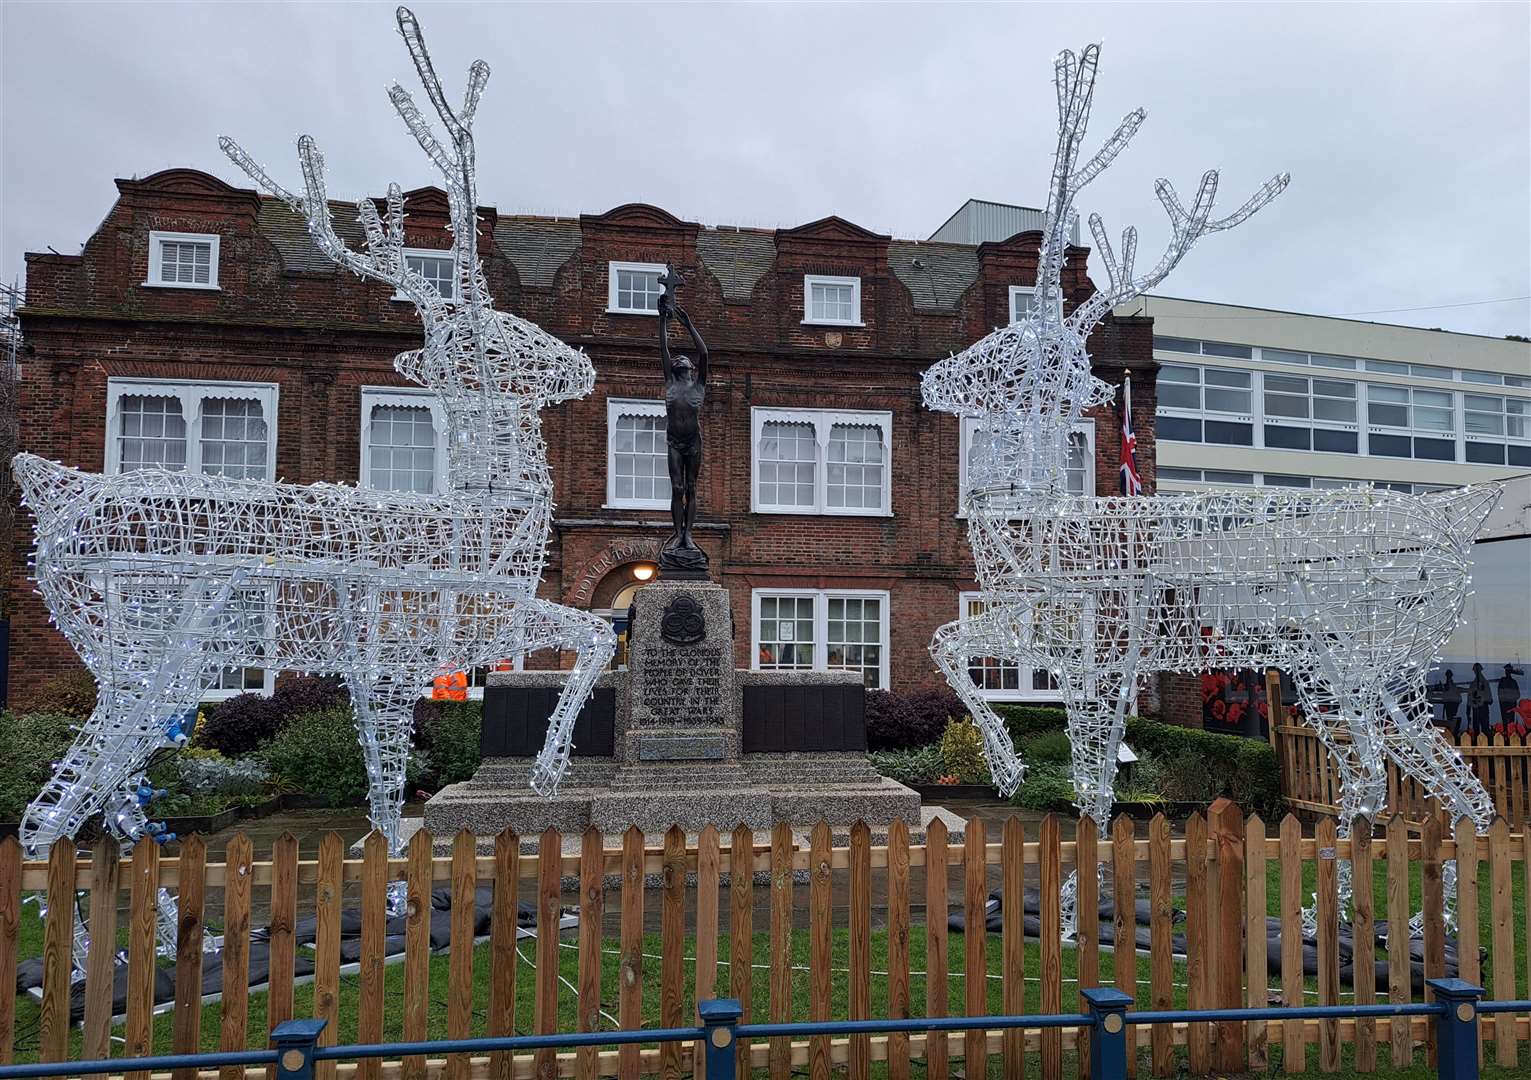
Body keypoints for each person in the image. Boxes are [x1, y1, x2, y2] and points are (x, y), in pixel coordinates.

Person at [656, 264, 708, 568]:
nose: (680, 361)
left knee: (692, 488)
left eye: (683, 361)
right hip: (674, 441)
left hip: (693, 441)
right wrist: (663, 320)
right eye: (677, 361)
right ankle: (678, 535)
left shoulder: (698, 384)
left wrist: (688, 325)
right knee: (677, 487)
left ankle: (689, 535)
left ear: (689, 368)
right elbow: (663, 346)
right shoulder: (671, 383)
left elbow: (706, 354)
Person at [1467, 663, 1493, 736]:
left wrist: (1482, 698)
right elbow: (1469, 698)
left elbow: (1490, 699)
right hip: (1476, 709)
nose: (1476, 672)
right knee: (1476, 727)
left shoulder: (1485, 683)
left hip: (1483, 707)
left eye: (1478, 670)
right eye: (1476, 670)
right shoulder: (1473, 684)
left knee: (1485, 726)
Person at [1498, 663, 1524, 730]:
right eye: (1506, 670)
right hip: (1505, 706)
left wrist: (1509, 698)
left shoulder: (1513, 682)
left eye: (1508, 670)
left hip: (1510, 706)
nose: (1506, 672)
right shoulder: (1503, 681)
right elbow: (1500, 694)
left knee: (1510, 724)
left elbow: (1517, 695)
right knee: (1506, 723)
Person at [1438, 669, 1464, 734]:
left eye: (1449, 674)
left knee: (1451, 716)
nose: (1448, 676)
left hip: (1452, 702)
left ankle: (1453, 728)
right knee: (1450, 717)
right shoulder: (1449, 684)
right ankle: (1452, 728)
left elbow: (1450, 691)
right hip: (1450, 702)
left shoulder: (1451, 684)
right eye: (1447, 674)